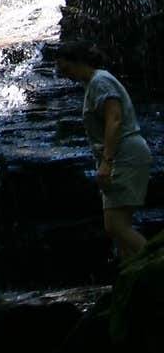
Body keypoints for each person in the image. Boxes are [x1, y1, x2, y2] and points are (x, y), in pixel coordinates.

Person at [54, 40, 151, 261]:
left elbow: (114, 119)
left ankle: (155, 267)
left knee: (116, 226)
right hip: (119, 156)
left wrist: (107, 161)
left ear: (78, 62)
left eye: (65, 68)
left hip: (124, 155)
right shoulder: (93, 83)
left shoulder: (101, 81)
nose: (64, 74)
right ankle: (131, 280)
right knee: (119, 232)